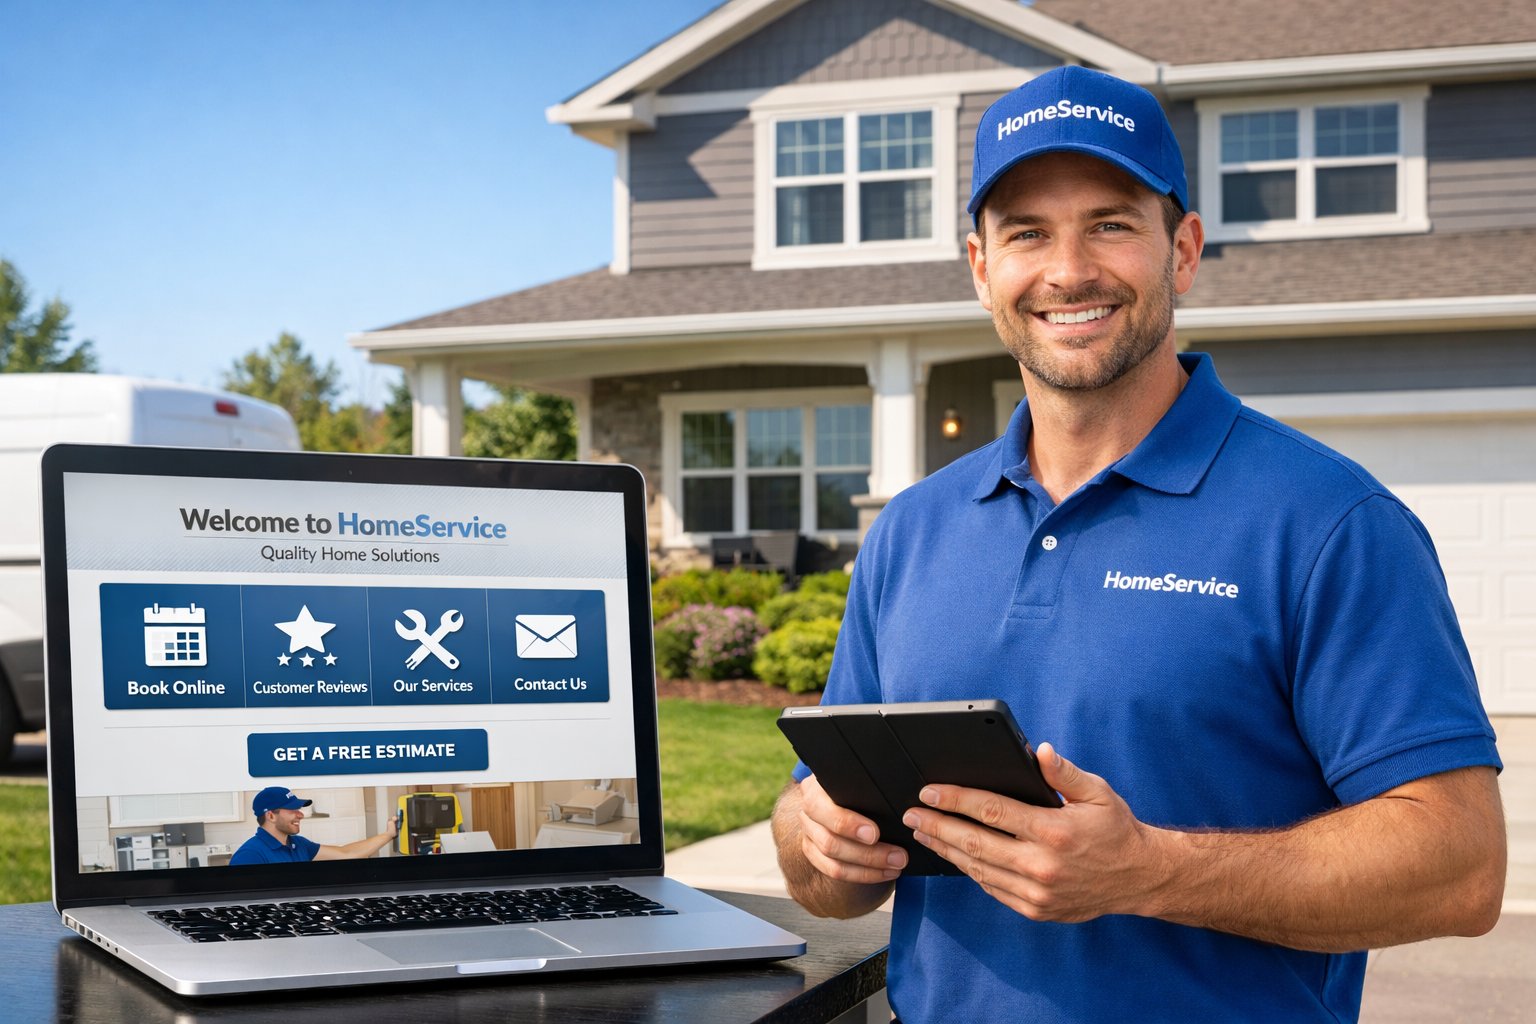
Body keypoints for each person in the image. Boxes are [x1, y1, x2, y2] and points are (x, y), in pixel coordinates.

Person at [771, 65, 1506, 1023]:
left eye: (1111, 223)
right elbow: (824, 864)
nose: (1068, 269)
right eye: (1027, 232)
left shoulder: (1328, 522)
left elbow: (1459, 868)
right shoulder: (913, 531)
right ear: (981, 266)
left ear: (1184, 250)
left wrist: (1149, 872)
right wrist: (817, 841)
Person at [230, 786, 399, 865]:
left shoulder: (299, 844)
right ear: (271, 815)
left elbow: (347, 853)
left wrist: (388, 834)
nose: (300, 814)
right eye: (292, 809)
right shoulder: (250, 855)